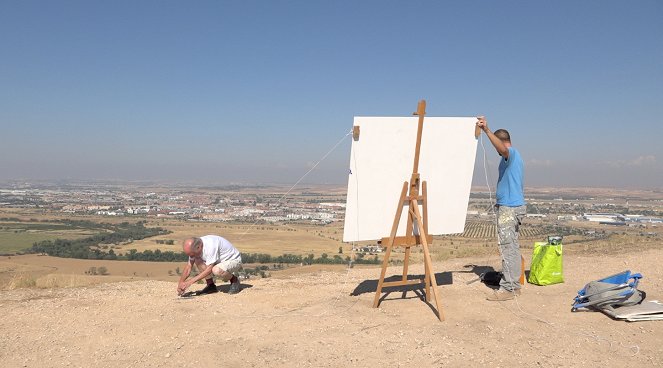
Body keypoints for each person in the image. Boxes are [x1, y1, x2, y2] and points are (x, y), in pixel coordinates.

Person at [476, 116, 526, 301]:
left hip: (510, 208)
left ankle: (509, 288)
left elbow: (502, 148)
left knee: (508, 248)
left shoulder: (510, 154)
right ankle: (511, 282)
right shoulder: (515, 157)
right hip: (511, 206)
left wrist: (487, 131)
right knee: (511, 246)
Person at [177, 235, 242, 296]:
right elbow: (189, 266)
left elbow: (209, 270)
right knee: (197, 259)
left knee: (216, 270)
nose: (191, 256)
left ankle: (234, 280)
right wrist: (181, 283)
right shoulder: (195, 246)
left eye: (192, 254)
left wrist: (189, 282)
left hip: (234, 260)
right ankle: (211, 286)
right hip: (219, 262)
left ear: (198, 247)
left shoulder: (211, 245)